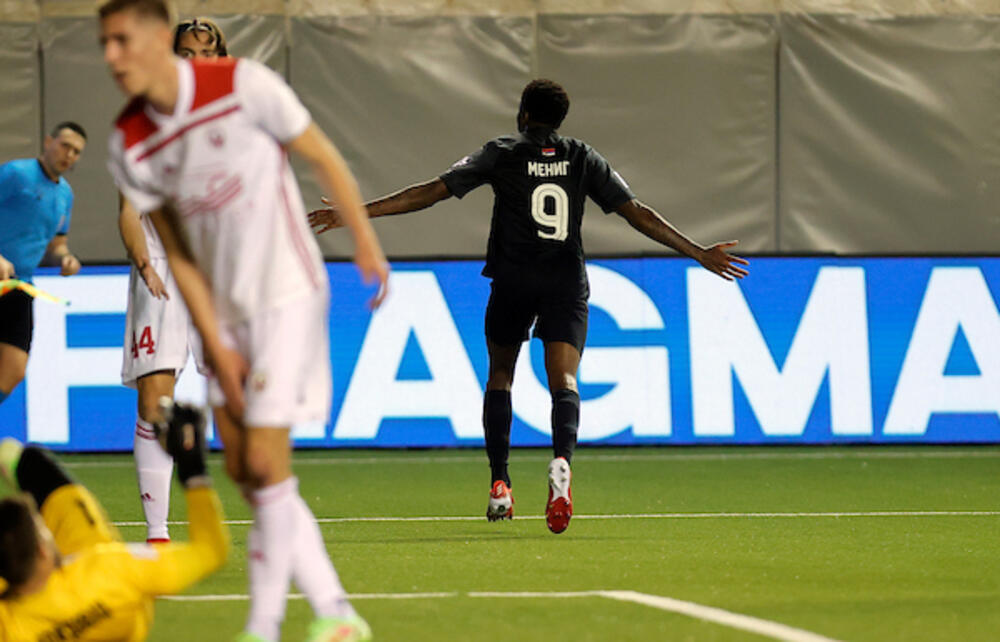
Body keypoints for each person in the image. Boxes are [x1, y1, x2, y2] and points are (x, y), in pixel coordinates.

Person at [309, 79, 750, 534]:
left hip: (514, 279)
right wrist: (698, 252)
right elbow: (637, 212)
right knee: (564, 379)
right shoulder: (582, 156)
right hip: (564, 280)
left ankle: (500, 483)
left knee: (501, 375)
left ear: (523, 115)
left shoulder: (502, 152)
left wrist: (355, 212)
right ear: (560, 119)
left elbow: (433, 191)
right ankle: (562, 461)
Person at [99, 1, 389, 640]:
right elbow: (178, 251)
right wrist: (212, 335)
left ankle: (269, 624)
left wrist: (366, 243)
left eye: (123, 40)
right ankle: (337, 613)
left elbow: (322, 154)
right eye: (105, 43)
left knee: (263, 458)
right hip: (220, 304)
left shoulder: (245, 86)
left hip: (285, 292)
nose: (112, 56)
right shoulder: (129, 140)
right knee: (243, 470)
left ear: (156, 39)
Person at [118, 15, 228, 547]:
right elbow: (128, 211)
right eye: (187, 53)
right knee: (154, 402)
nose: (197, 63)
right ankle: (158, 535)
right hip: (161, 264)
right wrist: (143, 263)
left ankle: (265, 521)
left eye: (207, 53)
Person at [0, 401, 230, 641]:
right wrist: (193, 471)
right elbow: (210, 551)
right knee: (29, 460)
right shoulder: (114, 570)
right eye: (43, 528)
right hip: (88, 566)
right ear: (42, 550)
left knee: (28, 463)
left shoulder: (7, 623)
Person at [0, 123, 85, 406]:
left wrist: (65, 258)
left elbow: (57, 244)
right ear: (49, 142)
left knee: (12, 372)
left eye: (76, 152)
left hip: (21, 286)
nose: (69, 155)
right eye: (65, 146)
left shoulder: (65, 195)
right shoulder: (16, 173)